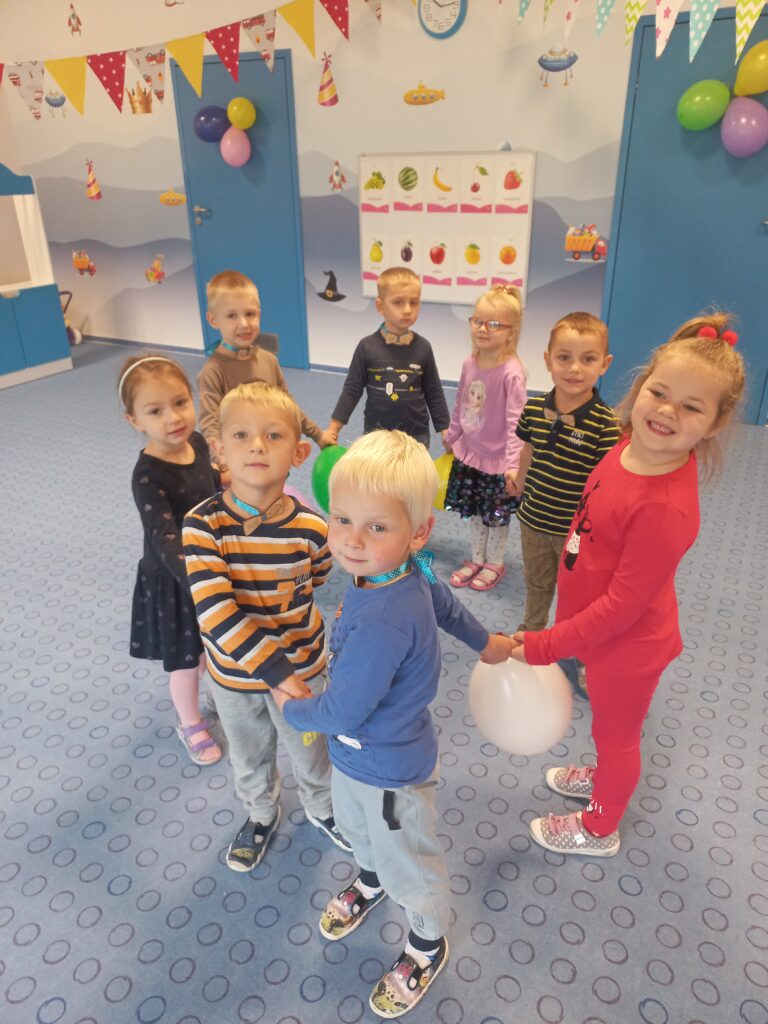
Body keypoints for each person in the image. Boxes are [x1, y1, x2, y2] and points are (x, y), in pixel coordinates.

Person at [272, 430, 512, 1019]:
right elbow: (445, 603)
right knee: (359, 830)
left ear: (418, 531)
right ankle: (370, 877)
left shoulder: (384, 619)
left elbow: (342, 711)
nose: (352, 540)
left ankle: (427, 942)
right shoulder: (404, 569)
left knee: (410, 860)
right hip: (357, 759)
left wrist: (292, 709)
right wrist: (486, 643)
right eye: (342, 519)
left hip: (389, 771)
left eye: (377, 527)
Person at [510, 315, 745, 857]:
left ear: (716, 423)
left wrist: (546, 644)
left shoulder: (667, 509)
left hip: (627, 648)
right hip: (597, 634)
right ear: (640, 388)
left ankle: (599, 829)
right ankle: (603, 778)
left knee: (617, 738)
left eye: (692, 407)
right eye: (659, 393)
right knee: (606, 729)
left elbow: (621, 607)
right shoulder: (623, 446)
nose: (667, 411)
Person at [183, 382, 350, 870]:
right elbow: (215, 612)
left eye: (273, 435)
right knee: (249, 754)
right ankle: (260, 814)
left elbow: (318, 576)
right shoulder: (201, 526)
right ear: (218, 450)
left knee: (311, 750)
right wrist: (278, 674)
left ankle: (321, 806)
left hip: (303, 670)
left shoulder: (313, 528)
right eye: (241, 435)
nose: (257, 446)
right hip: (236, 679)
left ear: (299, 453)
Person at [121, 354, 222, 766]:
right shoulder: (147, 475)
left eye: (180, 402)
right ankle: (190, 722)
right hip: (177, 580)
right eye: (155, 411)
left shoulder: (196, 442)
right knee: (185, 659)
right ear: (134, 420)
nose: (173, 417)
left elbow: (213, 486)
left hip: (210, 561)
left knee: (213, 643)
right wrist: (200, 580)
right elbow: (164, 539)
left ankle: (216, 693)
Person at [515, 313, 620, 638]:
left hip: (575, 529)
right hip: (533, 518)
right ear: (548, 360)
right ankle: (533, 632)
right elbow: (527, 450)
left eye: (588, 359)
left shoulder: (605, 423)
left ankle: (572, 641)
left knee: (579, 589)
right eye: (564, 357)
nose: (575, 369)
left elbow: (607, 481)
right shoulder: (533, 408)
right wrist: (519, 482)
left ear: (604, 364)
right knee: (536, 581)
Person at [443, 285, 527, 592]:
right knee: (477, 511)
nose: (482, 329)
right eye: (478, 321)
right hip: (471, 454)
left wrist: (514, 466)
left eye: (493, 324)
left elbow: (517, 423)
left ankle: (495, 561)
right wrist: (453, 434)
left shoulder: (512, 372)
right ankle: (477, 557)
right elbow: (460, 402)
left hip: (499, 461)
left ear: (511, 332)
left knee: (497, 516)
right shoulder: (470, 363)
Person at [197, 270, 335, 453]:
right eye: (231, 316)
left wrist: (318, 435)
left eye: (250, 314)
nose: (244, 323)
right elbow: (210, 426)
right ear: (213, 320)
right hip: (239, 460)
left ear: (259, 315)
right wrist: (222, 460)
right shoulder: (213, 372)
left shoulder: (269, 361)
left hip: (272, 452)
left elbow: (288, 407)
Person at [325, 266, 450, 448]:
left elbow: (434, 392)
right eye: (398, 302)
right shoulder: (366, 347)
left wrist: (445, 429)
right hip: (376, 434)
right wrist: (334, 427)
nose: (407, 310)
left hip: (416, 435)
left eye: (414, 302)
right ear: (380, 306)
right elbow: (352, 390)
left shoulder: (424, 347)